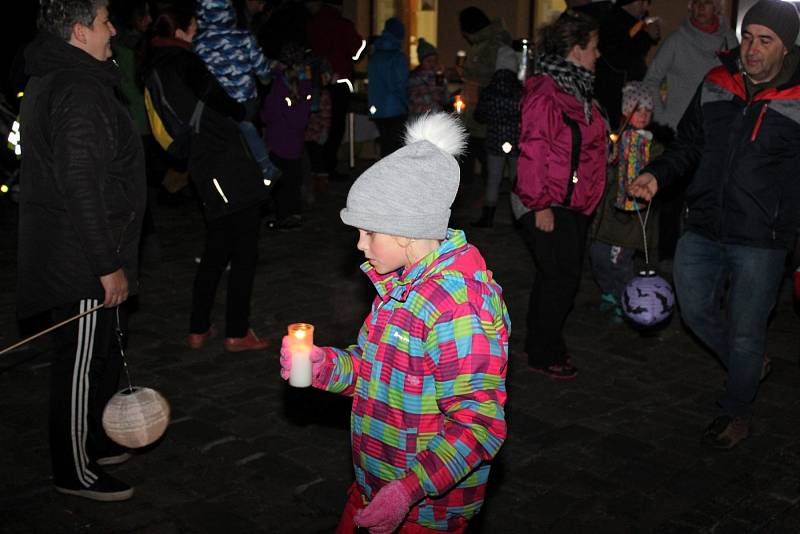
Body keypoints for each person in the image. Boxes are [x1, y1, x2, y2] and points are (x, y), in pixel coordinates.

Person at [279, 113, 509, 533]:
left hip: (423, 510)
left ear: (406, 231)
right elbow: (374, 370)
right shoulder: (399, 286)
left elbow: (478, 427)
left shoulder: (459, 308)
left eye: (369, 232)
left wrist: (408, 489)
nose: (360, 245)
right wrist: (324, 366)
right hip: (374, 486)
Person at [628, 0, 800, 449]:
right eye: (748, 38)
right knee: (695, 309)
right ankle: (747, 362)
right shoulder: (717, 83)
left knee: (747, 330)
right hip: (702, 224)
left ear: (787, 47)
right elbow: (689, 145)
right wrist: (656, 175)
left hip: (762, 239)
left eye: (766, 41)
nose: (752, 49)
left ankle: (735, 410)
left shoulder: (798, 98)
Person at [18, 0, 146, 501]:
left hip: (82, 250)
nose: (113, 29)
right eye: (104, 21)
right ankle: (72, 469)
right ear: (78, 31)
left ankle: (92, 439)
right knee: (76, 365)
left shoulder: (68, 77)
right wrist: (105, 265)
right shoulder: (77, 87)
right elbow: (79, 184)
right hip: (79, 258)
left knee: (96, 360)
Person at [146, 7, 271, 352]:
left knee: (217, 246)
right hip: (225, 164)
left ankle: (199, 328)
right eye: (193, 25)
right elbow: (226, 106)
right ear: (183, 30)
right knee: (243, 250)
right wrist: (241, 111)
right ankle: (237, 331)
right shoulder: (184, 63)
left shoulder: (161, 62)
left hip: (206, 167)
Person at [515, 10, 607, 380]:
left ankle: (538, 344)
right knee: (560, 280)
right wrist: (540, 205)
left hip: (573, 202)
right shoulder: (547, 93)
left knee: (554, 277)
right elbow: (533, 150)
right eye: (595, 47)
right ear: (576, 49)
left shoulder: (576, 89)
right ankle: (544, 352)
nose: (598, 55)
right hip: (549, 203)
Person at [642, 0, 737, 262]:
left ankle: (707, 259)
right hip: (678, 132)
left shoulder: (730, 41)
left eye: (706, 3)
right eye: (696, 3)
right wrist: (663, 118)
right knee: (672, 198)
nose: (700, 8)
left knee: (708, 195)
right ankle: (668, 259)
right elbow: (652, 79)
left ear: (717, 9)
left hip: (715, 132)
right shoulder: (677, 40)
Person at [589, 81, 671, 321]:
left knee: (619, 262)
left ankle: (625, 298)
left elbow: (659, 169)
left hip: (631, 221)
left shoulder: (654, 145)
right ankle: (609, 292)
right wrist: (611, 158)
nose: (643, 115)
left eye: (647, 111)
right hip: (609, 217)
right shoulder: (617, 140)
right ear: (626, 113)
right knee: (598, 257)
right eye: (638, 111)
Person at [193, 0, 279, 184]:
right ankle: (263, 166)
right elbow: (263, 71)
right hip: (245, 102)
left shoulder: (198, 42)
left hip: (215, 105)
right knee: (246, 127)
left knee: (225, 148)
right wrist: (266, 77)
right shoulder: (244, 37)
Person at [306, 0, 364, 180]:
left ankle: (316, 167)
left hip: (315, 82)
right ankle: (328, 168)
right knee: (335, 127)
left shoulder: (312, 24)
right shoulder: (344, 25)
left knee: (315, 126)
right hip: (340, 82)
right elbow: (356, 52)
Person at [260, 42, 313, 229]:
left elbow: (270, 114)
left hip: (278, 141)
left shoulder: (278, 86)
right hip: (295, 142)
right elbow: (304, 115)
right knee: (293, 179)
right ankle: (295, 213)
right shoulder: (305, 85)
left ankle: (282, 215)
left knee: (280, 182)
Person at [458, 7, 512, 184]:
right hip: (477, 109)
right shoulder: (485, 43)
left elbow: (495, 76)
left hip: (485, 110)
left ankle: (488, 195)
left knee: (486, 154)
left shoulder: (494, 44)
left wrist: (469, 76)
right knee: (473, 149)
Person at [472, 45, 522, 228]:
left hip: (494, 140)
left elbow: (479, 115)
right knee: (517, 180)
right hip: (516, 140)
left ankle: (488, 217)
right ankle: (519, 219)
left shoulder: (489, 90)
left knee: (493, 178)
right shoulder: (520, 90)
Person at [593, 0, 660, 129]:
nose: (646, 8)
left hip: (626, 97)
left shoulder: (630, 21)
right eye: (643, 2)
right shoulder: (613, 21)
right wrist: (647, 35)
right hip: (615, 98)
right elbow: (623, 53)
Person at [367, 17, 409, 158]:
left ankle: (382, 175)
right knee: (395, 147)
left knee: (386, 143)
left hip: (377, 109)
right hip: (396, 108)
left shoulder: (374, 56)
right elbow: (400, 85)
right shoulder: (398, 57)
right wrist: (406, 104)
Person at [407, 37, 449, 116]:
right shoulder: (414, 78)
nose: (432, 64)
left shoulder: (437, 76)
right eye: (429, 61)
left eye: (435, 61)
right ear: (421, 61)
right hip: (420, 117)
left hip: (436, 116)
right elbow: (413, 99)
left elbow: (444, 97)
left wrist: (442, 78)